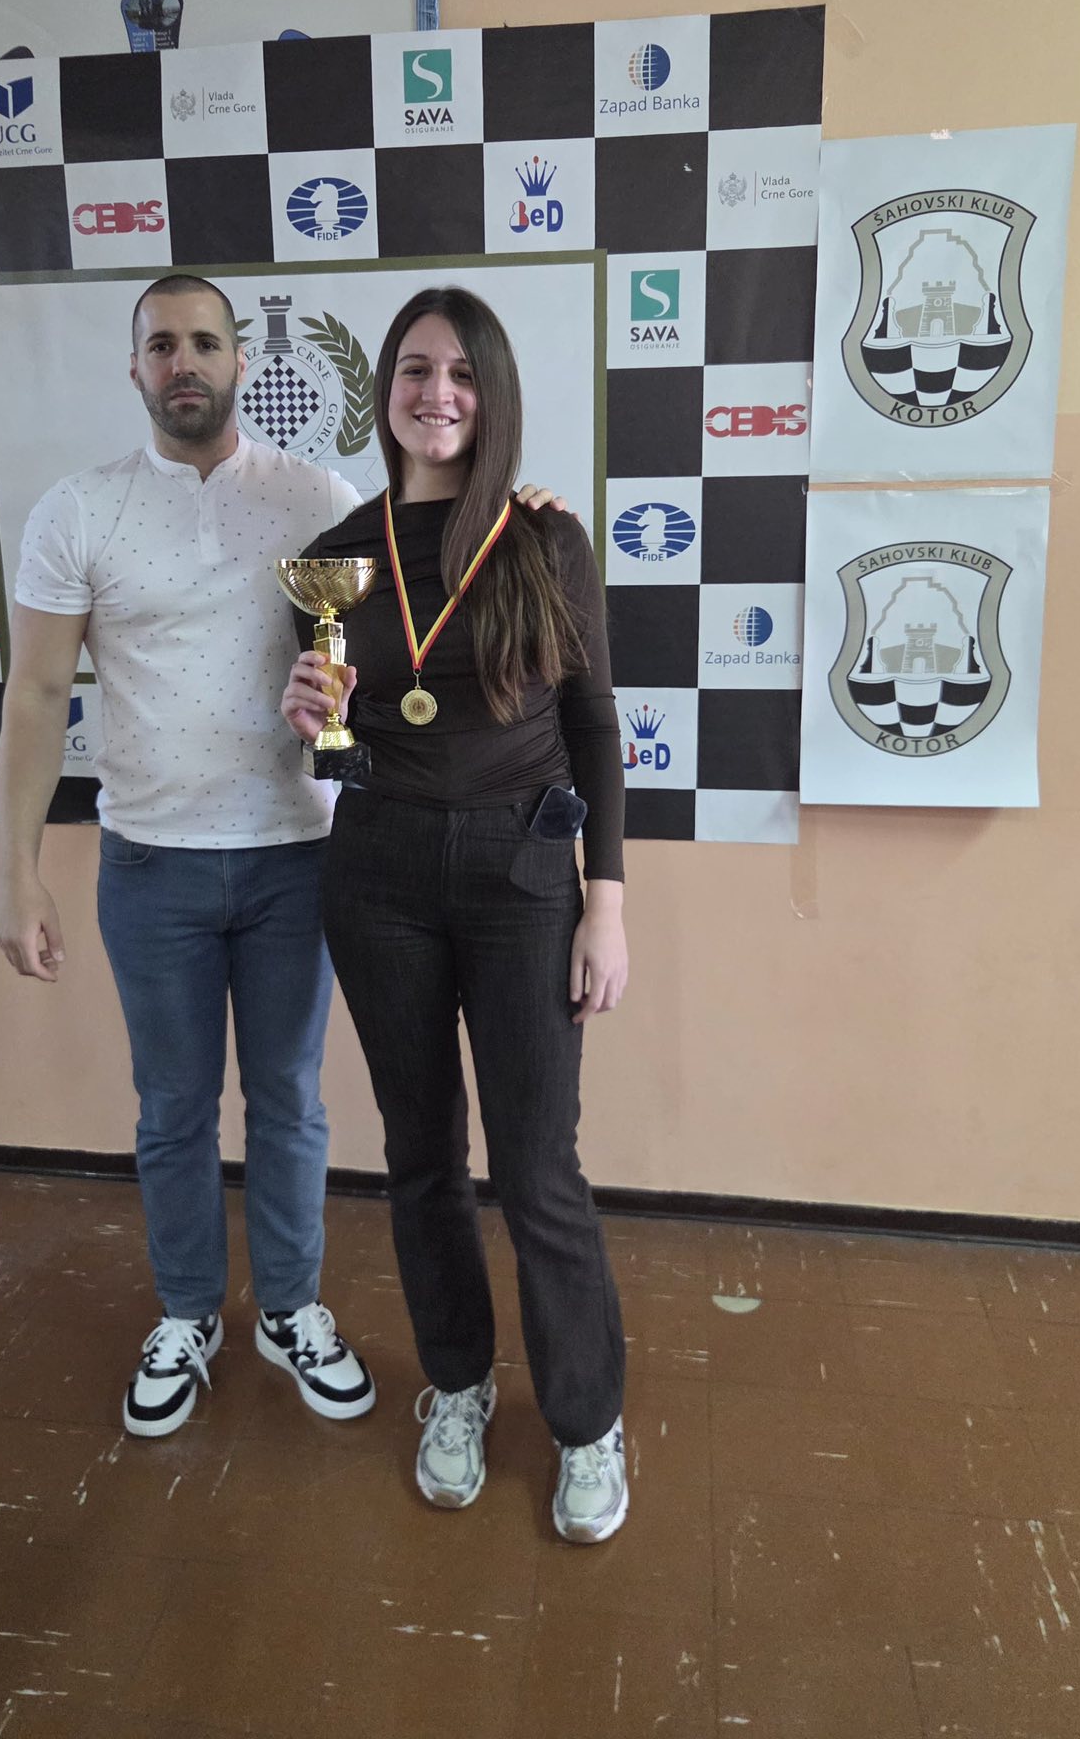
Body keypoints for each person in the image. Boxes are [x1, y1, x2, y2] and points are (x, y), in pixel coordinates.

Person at [0, 273, 561, 1442]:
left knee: (291, 1102)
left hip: (299, 855)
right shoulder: (78, 510)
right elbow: (38, 693)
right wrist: (17, 869)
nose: (184, 361)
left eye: (205, 341)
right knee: (172, 1108)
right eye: (162, 344)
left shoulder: (319, 500)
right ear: (135, 365)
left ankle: (291, 1308)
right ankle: (189, 1311)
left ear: (241, 361)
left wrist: (522, 505)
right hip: (148, 863)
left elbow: (442, 573)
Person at [280, 285, 631, 1543]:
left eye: (462, 373)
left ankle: (587, 1418)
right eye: (416, 369)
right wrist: (314, 717)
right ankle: (460, 1382)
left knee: (538, 1164)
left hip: (522, 873)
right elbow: (337, 751)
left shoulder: (545, 539)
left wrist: (606, 904)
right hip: (378, 870)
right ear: (385, 389)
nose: (438, 393)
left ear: (493, 393)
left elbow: (593, 724)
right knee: (422, 1155)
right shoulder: (337, 553)